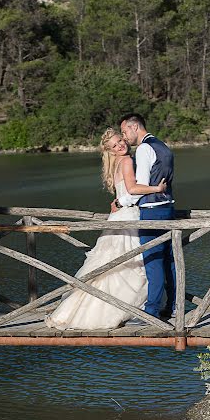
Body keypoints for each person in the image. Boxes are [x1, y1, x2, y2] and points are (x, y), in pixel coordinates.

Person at [44, 128, 167, 330]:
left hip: (118, 216)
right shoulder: (127, 161)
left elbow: (123, 191)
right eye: (114, 146)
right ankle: (126, 309)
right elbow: (133, 189)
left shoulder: (117, 163)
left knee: (113, 264)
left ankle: (110, 307)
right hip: (128, 216)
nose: (120, 145)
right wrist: (157, 189)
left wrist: (118, 201)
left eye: (120, 140)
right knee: (132, 263)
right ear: (110, 151)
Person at [120, 113, 176, 321]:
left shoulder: (144, 149)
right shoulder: (163, 145)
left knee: (153, 261)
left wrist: (121, 202)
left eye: (125, 131)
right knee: (170, 260)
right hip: (168, 208)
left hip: (152, 211)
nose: (125, 136)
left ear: (135, 127)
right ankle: (173, 306)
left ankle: (151, 311)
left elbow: (140, 187)